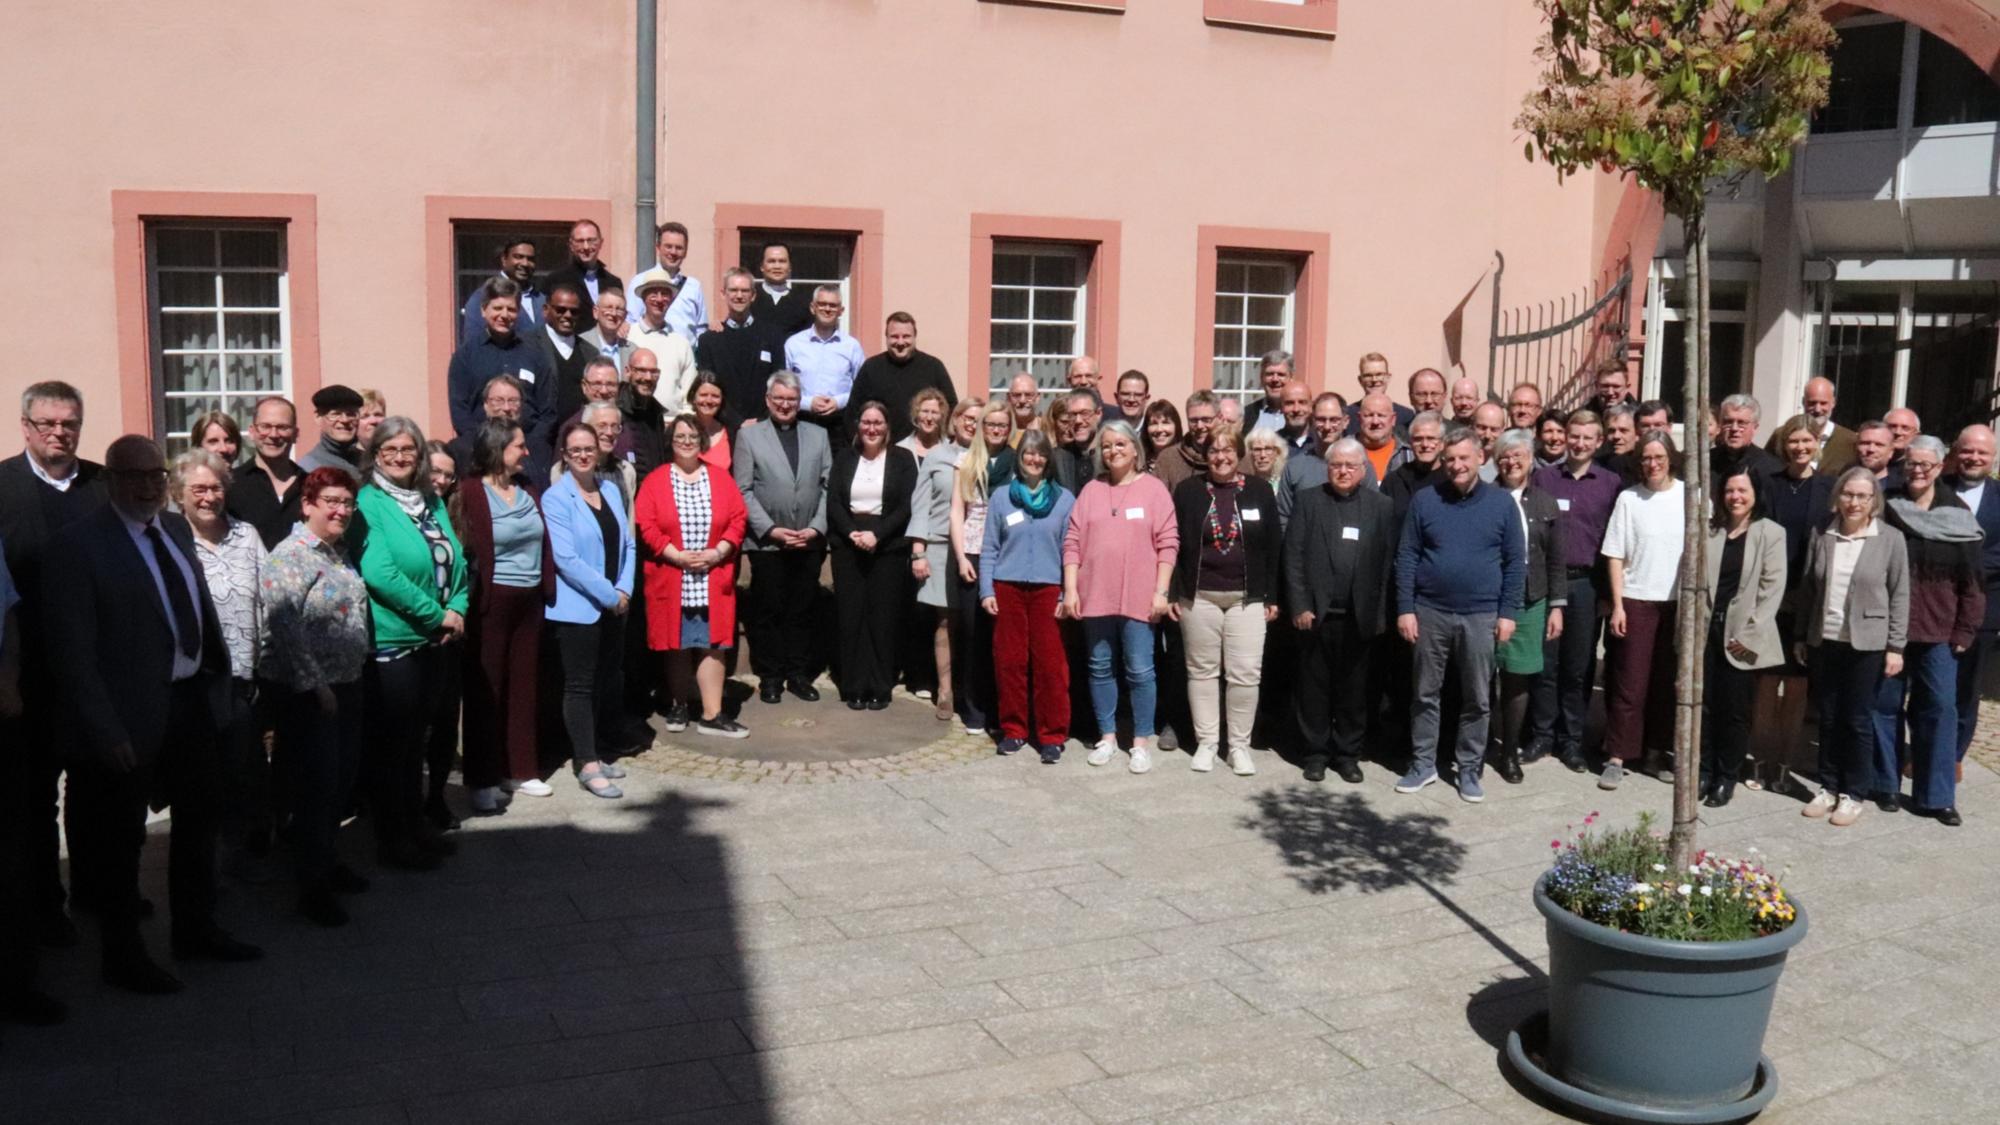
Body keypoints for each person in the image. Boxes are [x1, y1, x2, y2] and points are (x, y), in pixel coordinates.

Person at [45, 434, 262, 993]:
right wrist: (104, 727)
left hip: (190, 701)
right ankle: (123, 956)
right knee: (120, 844)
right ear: (112, 480)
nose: (146, 486)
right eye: (132, 476)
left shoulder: (170, 528)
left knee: (199, 821)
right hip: (126, 715)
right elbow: (74, 651)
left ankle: (196, 929)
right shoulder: (79, 545)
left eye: (154, 475)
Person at [1, 382, 109, 973]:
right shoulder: (1, 488)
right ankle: (47, 904)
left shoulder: (102, 487)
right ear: (25, 426)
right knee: (34, 800)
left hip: (94, 671)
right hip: (29, 677)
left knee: (97, 789)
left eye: (69, 423)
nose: (58, 433)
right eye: (46, 423)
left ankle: (97, 890)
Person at [258, 467, 371, 926]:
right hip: (309, 692)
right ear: (308, 504)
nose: (340, 509)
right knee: (316, 789)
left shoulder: (338, 553)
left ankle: (327, 861)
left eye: (347, 502)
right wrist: (316, 684)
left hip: (347, 682)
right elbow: (283, 627)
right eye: (331, 501)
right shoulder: (290, 557)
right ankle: (312, 887)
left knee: (339, 783)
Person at [353, 418, 468, 857]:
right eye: (391, 450)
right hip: (395, 641)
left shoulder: (429, 501)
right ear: (376, 455)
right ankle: (393, 837)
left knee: (417, 740)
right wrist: (437, 614)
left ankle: (416, 825)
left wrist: (458, 607)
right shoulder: (369, 502)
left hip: (435, 640)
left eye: (409, 450)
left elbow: (455, 559)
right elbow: (380, 573)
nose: (401, 458)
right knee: (394, 746)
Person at [1393, 428, 1525, 802]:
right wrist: (1405, 608)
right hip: (1430, 611)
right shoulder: (1425, 501)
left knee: (1478, 697)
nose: (1456, 465)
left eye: (1464, 458)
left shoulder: (1501, 504)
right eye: (1450, 459)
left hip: (1482, 614)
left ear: (1481, 458)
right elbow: (1407, 557)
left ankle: (1469, 768)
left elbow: (1516, 562)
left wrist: (1507, 613)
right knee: (1425, 693)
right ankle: (1423, 763)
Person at [171, 450, 269, 880]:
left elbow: (269, 598)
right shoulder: (171, 540)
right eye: (198, 489)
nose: (209, 497)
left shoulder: (246, 535)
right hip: (195, 681)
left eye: (215, 488)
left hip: (244, 678)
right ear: (178, 495)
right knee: (201, 782)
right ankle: (203, 868)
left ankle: (233, 860)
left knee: (241, 775)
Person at [450, 417, 554, 815]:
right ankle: (482, 778)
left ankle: (521, 770)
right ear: (497, 449)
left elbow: (542, 541)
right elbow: (465, 547)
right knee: (485, 690)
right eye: (519, 446)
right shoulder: (472, 492)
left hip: (530, 602)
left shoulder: (527, 488)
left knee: (524, 685)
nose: (526, 452)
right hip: (490, 603)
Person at [1879, 435, 1983, 825]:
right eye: (1911, 464)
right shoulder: (1887, 507)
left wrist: (1965, 631)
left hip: (1939, 631)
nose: (1917, 471)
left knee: (1938, 710)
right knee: (1884, 707)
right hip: (1890, 629)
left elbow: (1972, 583)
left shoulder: (1957, 514)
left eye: (1926, 464)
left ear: (1941, 468)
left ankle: (1936, 796)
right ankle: (1884, 783)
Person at [1796, 468, 1909, 828]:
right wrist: (1802, 635)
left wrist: (1896, 645)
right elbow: (1808, 590)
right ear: (1838, 497)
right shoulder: (1822, 533)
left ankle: (1854, 793)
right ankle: (1827, 787)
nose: (1854, 502)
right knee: (1827, 717)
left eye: (1862, 496)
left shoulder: (1890, 539)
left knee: (1857, 720)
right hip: (1825, 639)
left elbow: (1900, 594)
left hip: (1867, 644)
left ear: (1874, 500)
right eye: (1848, 494)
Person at [1065, 421, 1178, 772]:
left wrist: (1161, 591)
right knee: (1100, 668)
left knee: (1141, 670)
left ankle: (1141, 740)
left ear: (1135, 449)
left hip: (1140, 597)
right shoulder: (1091, 491)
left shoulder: (1155, 490)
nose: (1113, 451)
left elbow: (1168, 543)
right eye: (1107, 445)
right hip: (1095, 593)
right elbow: (1072, 541)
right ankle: (1108, 737)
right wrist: (1070, 588)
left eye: (1120, 444)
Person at [1168, 425, 1281, 775]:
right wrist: (1174, 591)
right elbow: (1174, 544)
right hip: (1198, 598)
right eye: (1214, 450)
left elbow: (1274, 546)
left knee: (1245, 674)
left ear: (1239, 453)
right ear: (1206, 455)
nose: (1221, 456)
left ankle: (1238, 746)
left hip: (1247, 598)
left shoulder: (1260, 490)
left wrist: (1272, 595)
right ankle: (1206, 743)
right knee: (1201, 672)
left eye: (1228, 450)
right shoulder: (1188, 491)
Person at [1285, 438, 1396, 783]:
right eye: (1336, 465)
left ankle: (1348, 754)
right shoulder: (1308, 501)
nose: (1343, 471)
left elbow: (1386, 564)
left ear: (1364, 470)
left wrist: (1379, 616)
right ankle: (1315, 753)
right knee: (1314, 690)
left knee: (1354, 691)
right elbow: (1294, 557)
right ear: (1327, 468)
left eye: (1350, 465)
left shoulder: (1382, 506)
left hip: (1359, 617)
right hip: (1316, 616)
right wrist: (1300, 604)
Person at [635, 414, 750, 737]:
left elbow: (738, 519)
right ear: (671, 441)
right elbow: (647, 524)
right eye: (680, 436)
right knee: (678, 643)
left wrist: (719, 552)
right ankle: (679, 703)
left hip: (712, 575)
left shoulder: (719, 478)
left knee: (713, 642)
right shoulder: (656, 480)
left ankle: (713, 714)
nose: (686, 442)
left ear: (702, 441)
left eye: (692, 436)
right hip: (674, 575)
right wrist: (677, 556)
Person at [546, 421, 639, 790]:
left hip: (615, 604)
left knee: (604, 680)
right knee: (580, 686)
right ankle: (586, 764)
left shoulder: (611, 490)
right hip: (579, 609)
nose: (584, 455)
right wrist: (608, 594)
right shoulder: (556, 498)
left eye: (589, 449)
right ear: (565, 457)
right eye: (575, 451)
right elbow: (566, 559)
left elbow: (628, 544)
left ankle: (596, 750)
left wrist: (625, 590)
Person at [1530, 410, 1623, 772]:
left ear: (1599, 442)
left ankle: (1571, 741)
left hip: (1587, 583)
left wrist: (1608, 594)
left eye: (1588, 438)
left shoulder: (1611, 483)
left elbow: (1616, 540)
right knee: (1545, 662)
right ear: (1565, 437)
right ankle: (1541, 736)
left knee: (1578, 666)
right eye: (1575, 436)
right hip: (1548, 582)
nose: (1580, 443)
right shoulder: (1544, 478)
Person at [734, 372, 832, 706]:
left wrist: (816, 527)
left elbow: (828, 486)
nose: (785, 405)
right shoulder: (749, 437)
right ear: (768, 400)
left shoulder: (818, 435)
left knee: (803, 610)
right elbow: (743, 490)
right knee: (769, 611)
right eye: (779, 398)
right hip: (767, 543)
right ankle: (771, 676)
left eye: (791, 399)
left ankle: (798, 674)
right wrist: (771, 529)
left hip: (808, 540)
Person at [980, 429, 1077, 763]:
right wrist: (986, 589)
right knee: (1010, 662)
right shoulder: (1002, 497)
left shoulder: (1064, 500)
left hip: (1048, 590)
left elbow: (1071, 551)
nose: (1034, 460)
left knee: (1050, 666)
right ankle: (1015, 730)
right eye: (1027, 454)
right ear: (1019, 458)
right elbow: (990, 548)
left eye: (1040, 454)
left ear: (1048, 460)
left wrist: (1068, 592)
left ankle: (1051, 735)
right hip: (1007, 588)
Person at [1750, 416, 1835, 791]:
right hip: (1770, 597)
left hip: (1807, 599)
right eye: (1793, 442)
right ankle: (1760, 760)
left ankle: (1784, 762)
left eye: (1806, 441)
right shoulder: (1770, 485)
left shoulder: (1829, 487)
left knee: (1797, 689)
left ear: (1816, 443)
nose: (1800, 447)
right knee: (1766, 685)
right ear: (1784, 446)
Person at [1598, 430, 1687, 789]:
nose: (1652, 464)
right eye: (1646, 458)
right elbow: (1616, 554)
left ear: (1670, 458)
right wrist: (1618, 605)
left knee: (1666, 684)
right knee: (1629, 683)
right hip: (1637, 599)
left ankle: (1654, 752)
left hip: (1678, 604)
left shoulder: (1689, 497)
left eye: (1659, 457)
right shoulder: (1629, 499)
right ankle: (1617, 755)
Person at [1697, 465, 1789, 808]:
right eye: (1730, 491)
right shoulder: (1709, 531)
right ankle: (1703, 771)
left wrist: (1749, 635)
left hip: (1742, 635)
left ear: (1755, 495)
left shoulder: (1771, 533)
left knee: (1733, 710)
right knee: (1703, 706)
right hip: (1706, 630)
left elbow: (1771, 590)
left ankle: (1726, 776)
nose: (1735, 497)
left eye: (1742, 491)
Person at [1486, 430, 1566, 785]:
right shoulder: (1483, 498)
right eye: (1504, 456)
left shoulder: (1545, 502)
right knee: (1483, 677)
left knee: (1518, 678)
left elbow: (1556, 560)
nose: (1511, 462)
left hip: (1531, 600)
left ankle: (1509, 752)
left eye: (1518, 455)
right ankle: (1482, 744)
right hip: (1487, 600)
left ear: (1531, 459)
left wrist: (1556, 606)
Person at [828, 402, 918, 710]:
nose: (871, 428)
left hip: (887, 545)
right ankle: (853, 685)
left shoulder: (902, 459)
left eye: (878, 422)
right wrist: (851, 532)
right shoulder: (844, 457)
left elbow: (907, 505)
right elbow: (834, 502)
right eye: (866, 422)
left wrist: (877, 534)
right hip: (848, 542)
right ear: (858, 426)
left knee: (882, 617)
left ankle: (880, 685)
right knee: (851, 616)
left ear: (887, 427)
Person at [911, 399, 982, 721]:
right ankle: (945, 690)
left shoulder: (987, 457)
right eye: (967, 417)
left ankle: (973, 689)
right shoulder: (937, 456)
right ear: (955, 419)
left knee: (973, 623)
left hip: (978, 548)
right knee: (944, 621)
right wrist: (918, 551)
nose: (971, 424)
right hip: (940, 545)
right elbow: (921, 505)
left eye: (978, 420)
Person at [950, 401, 1017, 733]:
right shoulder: (965, 461)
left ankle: (999, 709)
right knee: (972, 634)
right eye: (991, 423)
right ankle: (973, 706)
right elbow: (956, 512)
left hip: (1006, 555)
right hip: (973, 555)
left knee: (1001, 636)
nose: (996, 429)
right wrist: (961, 557)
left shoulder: (1018, 463)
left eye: (1003, 425)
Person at [445, 279, 554, 457]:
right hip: (480, 452)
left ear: (518, 312)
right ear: (483, 310)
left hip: (528, 452)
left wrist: (528, 445)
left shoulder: (536, 354)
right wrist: (484, 445)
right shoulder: (465, 356)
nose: (504, 315)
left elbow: (548, 411)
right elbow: (460, 411)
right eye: (497, 308)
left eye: (511, 309)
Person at [1949, 425, 2000, 770]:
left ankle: (1953, 757)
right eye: (1967, 451)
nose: (1974, 458)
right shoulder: (1938, 490)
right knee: (1930, 684)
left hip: (1985, 606)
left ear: (1992, 457)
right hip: (1935, 605)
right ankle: (1927, 748)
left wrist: (1958, 564)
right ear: (1956, 452)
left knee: (1966, 687)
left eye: (1982, 452)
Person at [847, 312, 957, 440]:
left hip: (924, 450)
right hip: (882, 450)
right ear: (886, 337)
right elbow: (853, 411)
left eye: (906, 336)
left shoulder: (933, 367)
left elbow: (951, 407)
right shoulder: (871, 368)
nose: (900, 342)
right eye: (894, 336)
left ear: (915, 337)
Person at [697, 267, 784, 424]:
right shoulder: (709, 340)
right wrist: (737, 422)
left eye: (744, 291)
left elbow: (778, 383)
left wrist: (761, 419)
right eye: (733, 290)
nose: (739, 296)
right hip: (722, 426)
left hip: (764, 426)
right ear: (723, 294)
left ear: (753, 295)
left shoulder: (772, 336)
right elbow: (708, 388)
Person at [785, 285, 867, 442]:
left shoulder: (852, 346)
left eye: (833, 305)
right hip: (802, 420)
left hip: (840, 424)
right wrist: (808, 403)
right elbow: (784, 388)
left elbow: (862, 388)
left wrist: (839, 401)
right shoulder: (794, 344)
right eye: (822, 304)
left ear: (841, 311)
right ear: (812, 308)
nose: (827, 309)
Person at [227, 396, 305, 548]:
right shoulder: (231, 485)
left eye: (283, 427)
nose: (274, 435)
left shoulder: (311, 487)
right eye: (265, 426)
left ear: (296, 434)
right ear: (252, 432)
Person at [451, 374, 551, 485]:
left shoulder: (538, 448)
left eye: (513, 401)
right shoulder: (462, 448)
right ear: (485, 404)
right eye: (498, 400)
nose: (506, 408)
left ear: (522, 406)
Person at [625, 269, 700, 409]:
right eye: (653, 293)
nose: (659, 299)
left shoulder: (681, 343)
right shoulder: (628, 336)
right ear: (643, 298)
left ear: (671, 299)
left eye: (664, 294)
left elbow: (689, 394)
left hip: (672, 423)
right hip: (635, 421)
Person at [537, 282, 604, 426]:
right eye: (560, 310)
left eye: (574, 311)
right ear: (545, 310)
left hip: (579, 439)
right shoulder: (529, 345)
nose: (567, 315)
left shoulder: (590, 353)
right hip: (541, 438)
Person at [458, 237, 542, 345]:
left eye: (530, 259)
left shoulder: (543, 299)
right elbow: (473, 345)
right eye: (518, 257)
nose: (525, 263)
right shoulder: (484, 296)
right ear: (504, 260)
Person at [1766, 376, 1857, 475]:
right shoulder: (1781, 435)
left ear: (1833, 403)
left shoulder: (1849, 441)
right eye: (1812, 403)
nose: (1817, 409)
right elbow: (1766, 467)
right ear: (1803, 402)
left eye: (1823, 403)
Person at [634, 221, 706, 342]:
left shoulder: (693, 286)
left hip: (685, 358)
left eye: (679, 248)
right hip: (649, 356)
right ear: (658, 248)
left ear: (685, 252)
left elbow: (701, 329)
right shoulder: (640, 282)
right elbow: (631, 323)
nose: (673, 252)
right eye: (668, 246)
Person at [544, 218, 623, 313]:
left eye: (591, 240)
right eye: (580, 241)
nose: (586, 247)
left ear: (600, 243)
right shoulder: (556, 280)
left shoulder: (613, 283)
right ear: (571, 245)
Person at [1382, 411, 1445, 522]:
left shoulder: (1454, 480)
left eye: (1431, 438)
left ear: (1442, 444)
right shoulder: (1394, 481)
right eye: (1418, 439)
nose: (1425, 445)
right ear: (1410, 443)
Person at [297, 384, 366, 480]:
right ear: (318, 418)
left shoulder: (367, 461)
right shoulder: (310, 468)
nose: (344, 420)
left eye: (351, 414)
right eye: (335, 414)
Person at [620, 353, 671, 482]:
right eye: (641, 370)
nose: (648, 378)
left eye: (653, 372)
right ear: (628, 371)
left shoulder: (656, 412)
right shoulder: (615, 411)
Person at [750, 241, 815, 339]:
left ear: (790, 267)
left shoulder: (803, 302)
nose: (777, 266)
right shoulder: (750, 299)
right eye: (771, 261)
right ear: (762, 266)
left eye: (782, 261)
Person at [1155, 391, 1218, 489]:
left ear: (1219, 418)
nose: (1200, 426)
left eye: (1206, 419)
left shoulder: (1236, 457)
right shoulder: (1168, 459)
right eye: (1193, 420)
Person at [1711, 394, 1783, 479]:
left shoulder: (1771, 469)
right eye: (1728, 422)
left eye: (1741, 423)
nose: (1734, 428)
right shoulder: (1706, 461)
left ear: (1755, 428)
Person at [1345, 353, 1415, 431]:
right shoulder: (1347, 415)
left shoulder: (1406, 416)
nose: (1374, 380)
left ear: (1388, 377)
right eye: (1368, 375)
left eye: (1379, 374)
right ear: (1360, 380)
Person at [1353, 394, 1410, 487]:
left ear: (1393, 419)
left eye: (1381, 415)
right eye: (1369, 415)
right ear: (1359, 418)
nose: (1375, 421)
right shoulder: (1341, 452)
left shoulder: (1409, 456)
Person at [686, 370, 734, 473]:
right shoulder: (681, 430)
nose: (709, 401)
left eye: (715, 396)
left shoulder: (731, 434)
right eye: (703, 395)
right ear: (693, 397)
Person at [898, 388, 949, 463]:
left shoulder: (950, 449)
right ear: (916, 414)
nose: (929, 418)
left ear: (942, 416)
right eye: (925, 411)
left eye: (934, 412)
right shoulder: (901, 449)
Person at [1247, 351, 1294, 432]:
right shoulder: (1247, 414)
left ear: (1291, 378)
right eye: (1269, 374)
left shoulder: (1303, 414)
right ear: (1261, 378)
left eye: (1281, 374)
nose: (1275, 379)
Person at [1597, 402, 1641, 482]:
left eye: (1623, 430)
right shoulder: (1596, 466)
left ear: (1637, 434)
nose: (1616, 436)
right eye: (1611, 431)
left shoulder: (1644, 468)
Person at [1142, 399, 1183, 470]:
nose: (1159, 429)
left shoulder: (1185, 461)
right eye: (1154, 423)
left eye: (1165, 423)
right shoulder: (1138, 461)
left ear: (1176, 426)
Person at [1005, 372, 1044, 437]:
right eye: (1017, 395)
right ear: (1008, 398)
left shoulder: (1048, 429)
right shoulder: (1002, 431)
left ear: (1037, 398)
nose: (1022, 401)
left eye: (1028, 395)